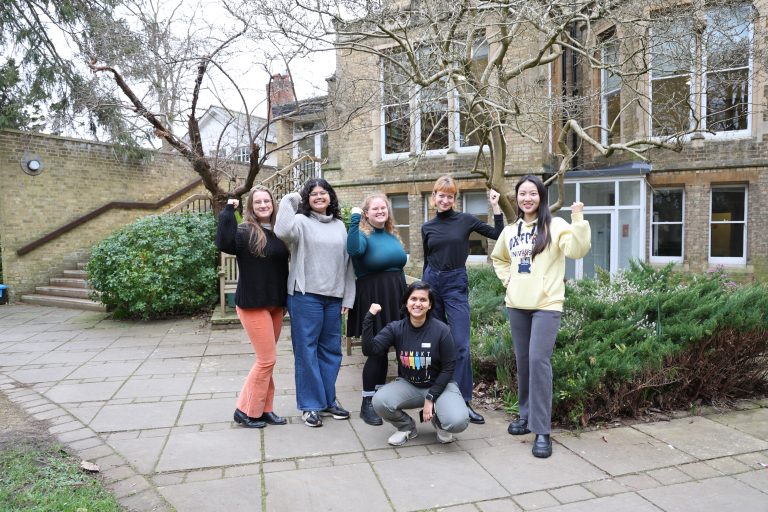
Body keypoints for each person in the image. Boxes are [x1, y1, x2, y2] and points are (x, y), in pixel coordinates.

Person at [490, 174, 591, 458]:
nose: (527, 198)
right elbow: (498, 259)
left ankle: (542, 429)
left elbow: (578, 250)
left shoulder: (555, 225)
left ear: (541, 197)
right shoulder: (510, 231)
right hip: (517, 305)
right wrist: (506, 279)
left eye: (532, 193)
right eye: (522, 193)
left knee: (538, 361)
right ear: (517, 198)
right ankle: (524, 416)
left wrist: (578, 218)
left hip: (546, 305)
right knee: (524, 362)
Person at [421, 175, 503, 424]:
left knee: (460, 344)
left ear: (454, 199)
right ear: (434, 197)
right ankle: (434, 398)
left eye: (450, 196)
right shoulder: (427, 227)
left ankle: (463, 401)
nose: (444, 199)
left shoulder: (465, 220)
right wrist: (424, 291)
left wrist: (496, 207)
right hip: (432, 283)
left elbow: (499, 234)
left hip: (455, 283)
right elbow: (427, 259)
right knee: (434, 342)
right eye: (440, 195)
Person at [274, 178, 356, 428]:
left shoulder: (341, 226)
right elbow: (281, 232)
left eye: (323, 193)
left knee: (331, 351)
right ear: (307, 199)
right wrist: (289, 200)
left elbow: (349, 263)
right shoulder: (300, 222)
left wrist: (348, 297)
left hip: (334, 297)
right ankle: (310, 405)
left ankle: (327, 400)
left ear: (331, 197)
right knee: (306, 351)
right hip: (305, 295)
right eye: (313, 194)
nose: (319, 197)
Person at [215, 186, 290, 429]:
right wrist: (228, 210)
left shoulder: (280, 232)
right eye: (257, 202)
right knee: (266, 360)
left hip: (275, 305)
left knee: (269, 360)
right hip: (252, 304)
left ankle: (264, 409)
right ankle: (244, 410)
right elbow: (223, 242)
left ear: (273, 203)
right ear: (251, 207)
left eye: (266, 201)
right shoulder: (245, 231)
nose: (263, 205)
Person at [362, 281, 469, 446]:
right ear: (406, 302)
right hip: (410, 385)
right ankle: (406, 427)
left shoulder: (441, 330)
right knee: (379, 401)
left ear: (430, 304)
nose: (418, 303)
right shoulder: (396, 328)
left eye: (423, 300)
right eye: (413, 299)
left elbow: (449, 368)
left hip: (440, 384)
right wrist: (369, 317)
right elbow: (370, 350)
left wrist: (431, 398)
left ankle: (440, 423)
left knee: (457, 421)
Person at [347, 193, 408, 426]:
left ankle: (390, 400)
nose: (380, 211)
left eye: (383, 208)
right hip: (374, 298)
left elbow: (398, 269)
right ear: (366, 213)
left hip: (396, 296)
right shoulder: (362, 234)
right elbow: (353, 250)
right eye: (375, 209)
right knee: (377, 351)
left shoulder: (392, 235)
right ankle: (367, 404)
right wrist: (354, 221)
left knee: (402, 349)